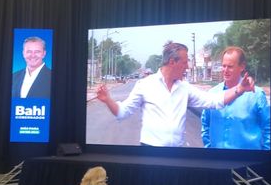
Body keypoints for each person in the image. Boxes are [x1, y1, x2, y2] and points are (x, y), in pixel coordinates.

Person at [96, 41, 255, 147]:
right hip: (150, 153)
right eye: (185, 62)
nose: (187, 67)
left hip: (177, 155)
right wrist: (108, 100)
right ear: (172, 62)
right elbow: (122, 112)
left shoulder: (184, 88)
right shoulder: (145, 85)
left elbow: (214, 101)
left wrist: (239, 90)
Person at [200, 46, 270, 150]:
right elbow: (205, 125)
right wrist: (210, 150)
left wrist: (263, 157)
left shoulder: (256, 94)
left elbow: (269, 128)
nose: (225, 70)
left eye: (230, 66)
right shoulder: (212, 95)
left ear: (242, 66)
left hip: (249, 163)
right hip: (218, 161)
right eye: (224, 66)